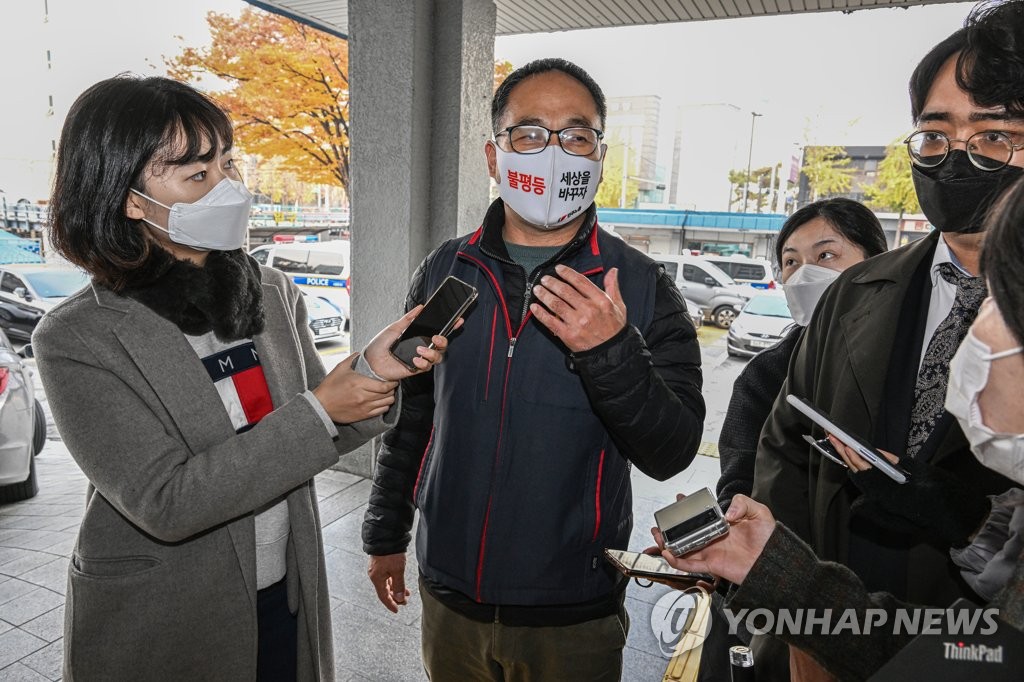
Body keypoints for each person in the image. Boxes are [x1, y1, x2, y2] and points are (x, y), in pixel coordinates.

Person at [34, 75, 451, 682]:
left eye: (227, 164)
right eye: (197, 175)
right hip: (164, 612)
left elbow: (316, 427)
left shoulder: (268, 291)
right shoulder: (78, 337)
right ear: (127, 198)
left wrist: (371, 374)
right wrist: (321, 409)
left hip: (282, 588)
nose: (229, 188)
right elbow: (165, 502)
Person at [361, 58, 706, 681]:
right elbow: (413, 417)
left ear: (600, 155)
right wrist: (386, 531)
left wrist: (611, 352)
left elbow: (673, 449)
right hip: (451, 593)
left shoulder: (645, 286)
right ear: (495, 157)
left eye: (577, 135)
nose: (554, 153)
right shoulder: (446, 268)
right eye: (529, 133)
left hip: (573, 611)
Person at [657, 166, 1024, 682]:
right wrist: (786, 600)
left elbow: (975, 655)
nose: (975, 326)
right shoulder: (771, 373)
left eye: (1000, 303)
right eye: (790, 262)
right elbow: (760, 470)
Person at [752, 0, 1024, 612]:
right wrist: (794, 613)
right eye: (935, 134)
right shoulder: (855, 291)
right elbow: (787, 450)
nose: (956, 156)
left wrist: (969, 517)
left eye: (995, 135)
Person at [717, 198, 887, 510]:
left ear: (876, 262)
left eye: (826, 255)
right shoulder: (765, 375)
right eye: (791, 262)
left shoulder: (912, 357)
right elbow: (739, 481)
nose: (805, 275)